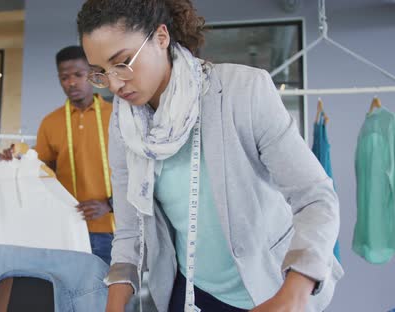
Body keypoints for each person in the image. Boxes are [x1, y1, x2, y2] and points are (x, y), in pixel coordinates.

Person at [76, 0, 343, 311]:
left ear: (161, 37)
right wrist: (114, 305)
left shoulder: (242, 91)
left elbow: (315, 198)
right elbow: (128, 232)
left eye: (122, 62)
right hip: (188, 291)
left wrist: (293, 293)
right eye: (101, 73)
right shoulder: (125, 124)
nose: (114, 84)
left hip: (272, 287)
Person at [2, 46, 115, 265]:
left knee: (113, 297)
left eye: (78, 75)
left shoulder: (117, 115)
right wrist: (17, 160)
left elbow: (136, 171)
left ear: (91, 74)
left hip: (112, 229)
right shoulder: (50, 122)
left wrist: (109, 204)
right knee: (68, 295)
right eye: (65, 77)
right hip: (66, 229)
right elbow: (40, 171)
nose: (71, 83)